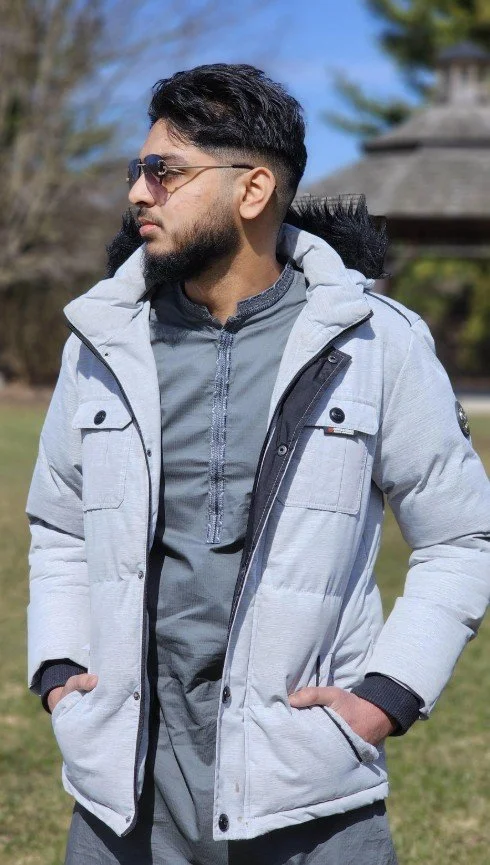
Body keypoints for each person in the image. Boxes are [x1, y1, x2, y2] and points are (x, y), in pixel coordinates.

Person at [26, 63, 490, 865]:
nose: (138, 192)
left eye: (164, 171)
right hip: (121, 804)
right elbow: (59, 525)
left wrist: (385, 698)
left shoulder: (377, 342)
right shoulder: (100, 342)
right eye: (138, 169)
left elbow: (462, 537)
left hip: (311, 796)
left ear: (253, 190)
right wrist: (62, 669)